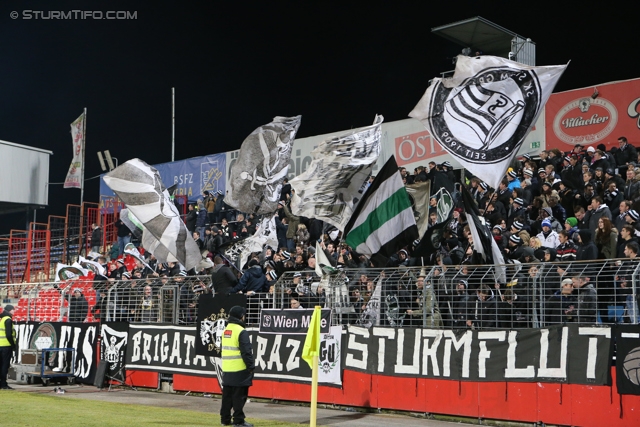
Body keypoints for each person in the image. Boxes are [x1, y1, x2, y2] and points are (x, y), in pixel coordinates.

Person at [220, 306, 255, 427]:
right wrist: (251, 366)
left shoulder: (226, 330)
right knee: (239, 397)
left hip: (227, 368)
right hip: (240, 368)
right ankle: (238, 421)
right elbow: (246, 351)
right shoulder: (241, 331)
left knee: (227, 397)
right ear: (241, 316)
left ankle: (225, 419)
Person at [0, 304, 16, 389]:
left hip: (0, 345)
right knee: (4, 365)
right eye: (13, 309)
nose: (14, 311)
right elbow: (9, 334)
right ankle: (3, 384)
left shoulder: (1, 319)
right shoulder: (8, 319)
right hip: (6, 345)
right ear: (10, 310)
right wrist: (13, 345)